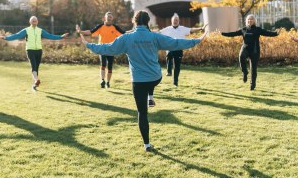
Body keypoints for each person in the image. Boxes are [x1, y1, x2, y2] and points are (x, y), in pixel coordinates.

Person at [80, 10, 206, 152]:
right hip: (155, 78)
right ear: (148, 22)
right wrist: (197, 40)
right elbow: (175, 43)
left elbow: (107, 48)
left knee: (142, 113)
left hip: (138, 81)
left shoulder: (126, 38)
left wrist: (88, 44)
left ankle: (147, 144)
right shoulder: (154, 36)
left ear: (134, 22)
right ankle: (150, 96)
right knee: (151, 83)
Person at [3, 16, 68, 91]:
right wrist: (6, 38)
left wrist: (61, 37)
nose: (34, 22)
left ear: (37, 22)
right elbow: (17, 35)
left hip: (39, 51)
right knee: (33, 66)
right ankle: (37, 80)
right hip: (30, 50)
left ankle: (34, 84)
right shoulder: (26, 30)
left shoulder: (40, 30)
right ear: (30, 22)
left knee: (36, 67)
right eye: (33, 21)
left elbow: (50, 36)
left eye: (35, 21)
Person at [221, 14, 279, 90]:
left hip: (254, 51)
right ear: (246, 21)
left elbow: (267, 33)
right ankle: (245, 72)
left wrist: (276, 33)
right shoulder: (244, 29)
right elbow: (233, 33)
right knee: (241, 56)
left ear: (254, 21)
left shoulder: (258, 29)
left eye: (251, 19)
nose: (250, 21)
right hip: (245, 48)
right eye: (248, 19)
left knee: (253, 69)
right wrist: (222, 33)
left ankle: (252, 84)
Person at [76, 12, 125, 88]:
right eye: (108, 16)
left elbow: (125, 34)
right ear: (104, 18)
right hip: (101, 49)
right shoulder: (100, 26)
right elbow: (90, 32)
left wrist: (135, 31)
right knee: (103, 64)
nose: (109, 18)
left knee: (110, 67)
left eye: (110, 17)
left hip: (111, 49)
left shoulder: (115, 27)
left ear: (112, 18)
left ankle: (108, 82)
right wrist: (81, 31)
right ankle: (102, 80)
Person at [159, 13, 207, 87]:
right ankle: (169, 71)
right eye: (174, 20)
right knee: (169, 54)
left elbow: (191, 30)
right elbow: (158, 32)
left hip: (179, 49)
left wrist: (200, 28)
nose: (175, 21)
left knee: (177, 66)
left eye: (177, 20)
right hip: (170, 48)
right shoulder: (167, 29)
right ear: (171, 21)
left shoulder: (182, 28)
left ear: (179, 21)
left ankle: (175, 82)